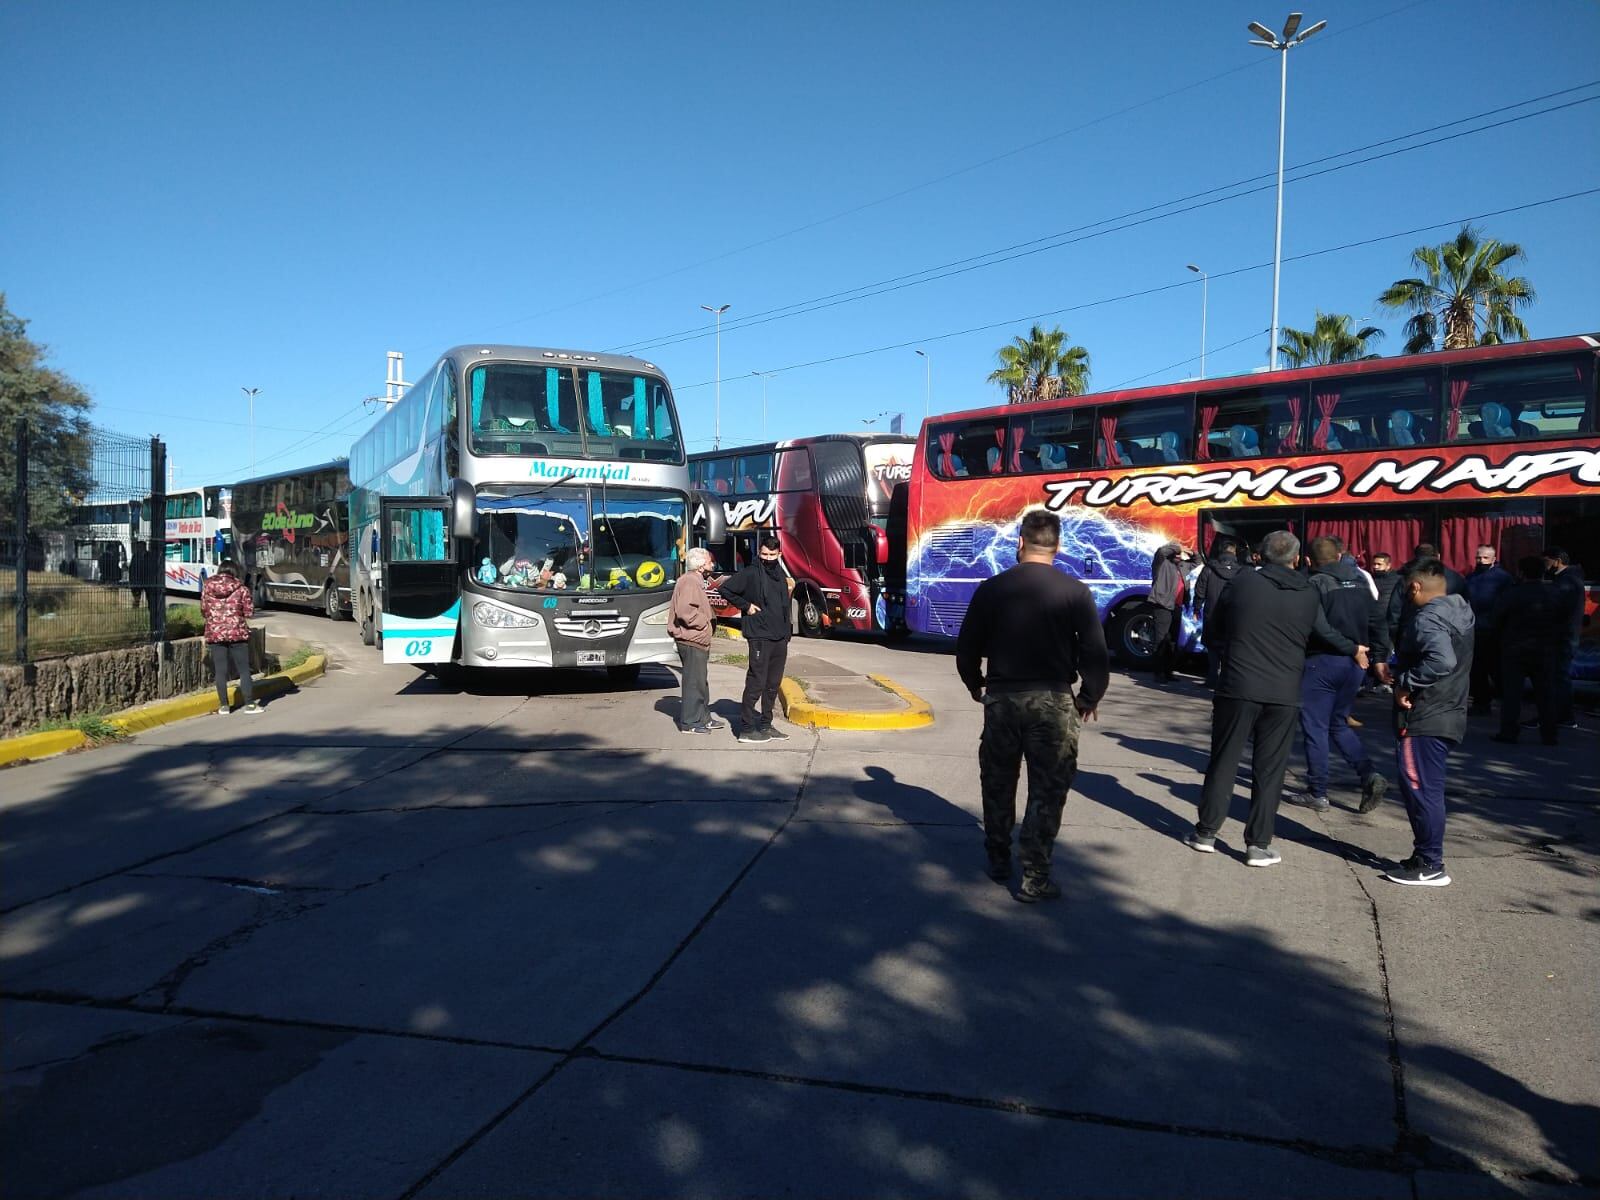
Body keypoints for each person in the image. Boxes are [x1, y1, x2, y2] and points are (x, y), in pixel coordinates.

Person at [1187, 530, 1366, 868]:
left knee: (1224, 760)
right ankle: (1258, 845)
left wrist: (1231, 649)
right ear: (1296, 559)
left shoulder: (1240, 584)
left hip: (1238, 686)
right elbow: (1325, 634)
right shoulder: (1309, 592)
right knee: (1270, 770)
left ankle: (1206, 833)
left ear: (1260, 556)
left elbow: (1213, 631)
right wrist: (1354, 648)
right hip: (1284, 691)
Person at [956, 509, 1109, 902]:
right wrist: (1089, 696)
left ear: (1020, 543)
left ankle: (998, 857)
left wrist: (976, 685)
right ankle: (1035, 877)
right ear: (1058, 547)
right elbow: (1095, 651)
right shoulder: (1075, 592)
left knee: (998, 780)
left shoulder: (991, 588)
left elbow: (967, 647)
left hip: (1003, 699)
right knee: (1047, 788)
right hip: (1054, 702)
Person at [1383, 559, 1474, 887]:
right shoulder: (1459, 610)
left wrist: (1407, 682)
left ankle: (1430, 861)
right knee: (1427, 788)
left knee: (1421, 789)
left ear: (1415, 587)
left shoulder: (1427, 619)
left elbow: (1441, 660)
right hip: (1447, 709)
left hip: (1426, 714)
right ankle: (1426, 855)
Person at [1285, 536, 1388, 815]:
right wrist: (1377, 657)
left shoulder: (1314, 583)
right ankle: (1369, 774)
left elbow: (1319, 628)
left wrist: (1352, 648)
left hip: (1324, 661)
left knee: (1315, 727)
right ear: (1340, 556)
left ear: (1308, 561)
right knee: (1338, 724)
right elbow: (1378, 621)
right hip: (1356, 666)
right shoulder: (1361, 581)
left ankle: (1318, 791)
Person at [717, 534, 795, 743]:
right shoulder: (751, 572)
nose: (767, 558)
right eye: (764, 554)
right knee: (757, 681)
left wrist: (788, 631)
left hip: (780, 637)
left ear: (779, 554)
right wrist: (747, 606)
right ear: (758, 553)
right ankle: (747, 728)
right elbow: (725, 589)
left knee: (773, 683)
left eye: (772, 554)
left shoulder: (780, 573)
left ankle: (766, 725)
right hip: (759, 635)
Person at [1491, 556, 1563, 746]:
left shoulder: (1513, 594)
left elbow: (1497, 617)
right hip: (1545, 649)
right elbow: (1563, 620)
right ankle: (1550, 734)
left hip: (1515, 649)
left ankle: (1509, 731)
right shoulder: (1553, 593)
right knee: (1546, 693)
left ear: (1521, 572)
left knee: (1512, 694)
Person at [668, 547, 726, 735]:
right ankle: (690, 722)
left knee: (700, 681)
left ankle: (703, 718)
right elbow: (686, 612)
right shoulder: (690, 581)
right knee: (694, 681)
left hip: (696, 639)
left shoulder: (695, 580)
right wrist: (704, 623)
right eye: (710, 561)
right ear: (701, 564)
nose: (712, 564)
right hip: (691, 639)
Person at [1532, 546, 1585, 731]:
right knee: (1559, 677)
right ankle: (1562, 716)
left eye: (1546, 560)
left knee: (1556, 678)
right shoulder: (1570, 579)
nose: (1544, 565)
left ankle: (1557, 716)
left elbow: (1553, 609)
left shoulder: (1566, 582)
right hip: (1565, 636)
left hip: (1561, 637)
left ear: (1556, 560)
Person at [201, 559, 261, 715]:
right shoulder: (241, 588)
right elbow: (249, 612)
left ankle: (224, 706)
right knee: (243, 670)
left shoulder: (207, 586)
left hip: (215, 634)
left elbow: (204, 610)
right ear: (235, 572)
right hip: (237, 634)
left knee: (220, 671)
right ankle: (249, 705)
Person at [1464, 544, 1513, 715]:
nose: (1481, 560)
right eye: (1478, 557)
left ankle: (1509, 704)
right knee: (1477, 669)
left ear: (1493, 559)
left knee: (1497, 669)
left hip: (1495, 631)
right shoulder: (1471, 577)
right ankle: (1481, 703)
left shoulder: (1503, 578)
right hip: (1475, 629)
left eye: (1485, 557)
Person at [1190, 538, 1242, 688]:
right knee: (1229, 647)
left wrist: (1196, 608)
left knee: (1212, 647)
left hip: (1212, 613)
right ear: (1234, 552)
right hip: (1233, 615)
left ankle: (1212, 678)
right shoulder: (1240, 571)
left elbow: (1200, 590)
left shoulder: (1209, 568)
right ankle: (1227, 680)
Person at [1147, 540, 1187, 683]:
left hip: (1176, 607)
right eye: (1176, 553)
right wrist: (1178, 547)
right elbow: (1162, 551)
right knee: (1161, 640)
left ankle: (1168, 671)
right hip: (1162, 605)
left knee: (1172, 642)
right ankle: (1158, 673)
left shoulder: (1180, 567)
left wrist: (1191, 552)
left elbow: (1197, 560)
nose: (1179, 555)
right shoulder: (1162, 563)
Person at [1362, 552, 1401, 695]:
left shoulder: (1397, 579)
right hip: (1369, 620)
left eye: (1379, 564)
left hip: (1387, 622)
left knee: (1384, 652)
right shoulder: (1368, 579)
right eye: (1374, 564)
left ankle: (1385, 682)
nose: (1376, 567)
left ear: (1389, 565)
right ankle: (1370, 682)